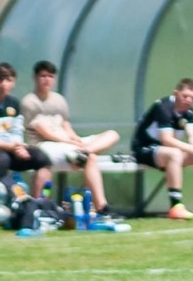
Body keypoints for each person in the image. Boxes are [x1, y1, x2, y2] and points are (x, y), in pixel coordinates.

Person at [21, 60, 123, 220]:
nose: (46, 79)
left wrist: (76, 139)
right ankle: (102, 207)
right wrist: (71, 143)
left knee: (112, 134)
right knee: (91, 159)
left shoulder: (59, 100)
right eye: (42, 76)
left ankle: (84, 152)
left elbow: (66, 125)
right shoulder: (29, 102)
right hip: (46, 146)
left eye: (50, 76)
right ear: (35, 78)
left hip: (69, 144)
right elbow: (45, 132)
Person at [132, 78, 193, 221]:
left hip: (165, 152)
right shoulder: (163, 106)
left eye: (192, 98)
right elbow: (167, 140)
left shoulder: (188, 111)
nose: (188, 100)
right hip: (144, 149)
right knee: (175, 154)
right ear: (176, 93)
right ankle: (175, 206)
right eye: (185, 96)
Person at [0, 62, 51, 194]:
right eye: (0, 79)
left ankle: (40, 200)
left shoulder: (14, 103)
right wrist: (10, 147)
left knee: (42, 159)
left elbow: (17, 130)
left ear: (14, 83)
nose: (4, 84)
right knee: (2, 160)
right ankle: (6, 200)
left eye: (8, 80)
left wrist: (19, 146)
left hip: (13, 148)